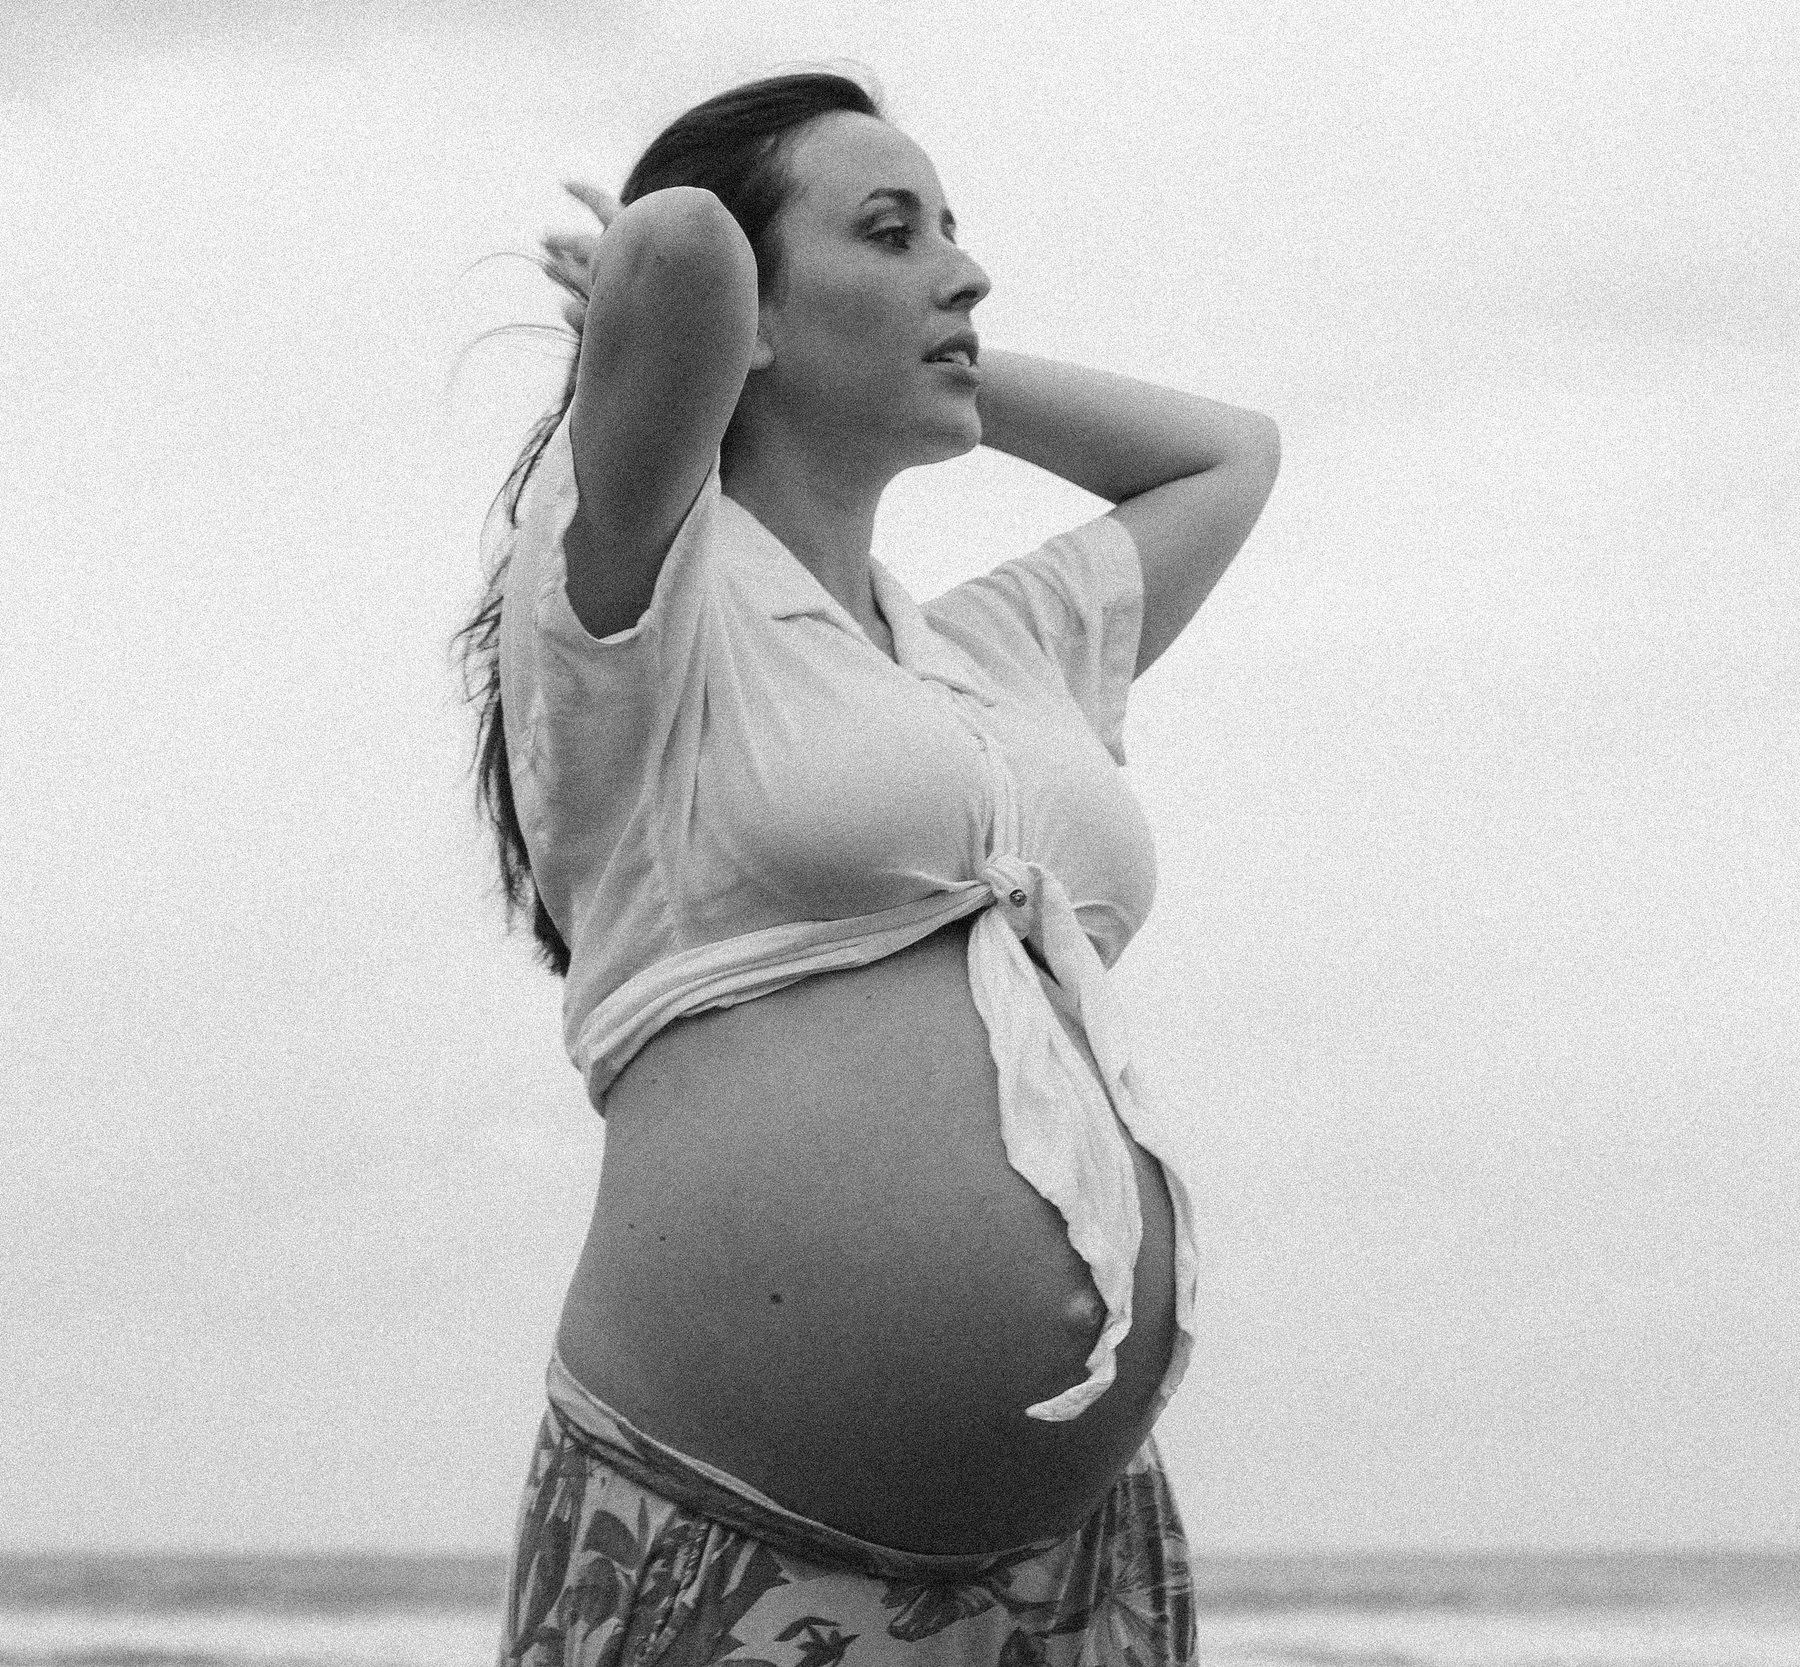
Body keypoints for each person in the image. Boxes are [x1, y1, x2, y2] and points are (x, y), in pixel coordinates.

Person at [458, 68, 1280, 1667]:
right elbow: (681, 246)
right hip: (729, 1530)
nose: (964, 273)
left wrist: (936, 356)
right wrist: (684, 322)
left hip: (1071, 1560)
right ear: (750, 320)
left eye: (953, 235)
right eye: (894, 234)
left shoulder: (995, 654)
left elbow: (1227, 458)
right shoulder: (647, 601)